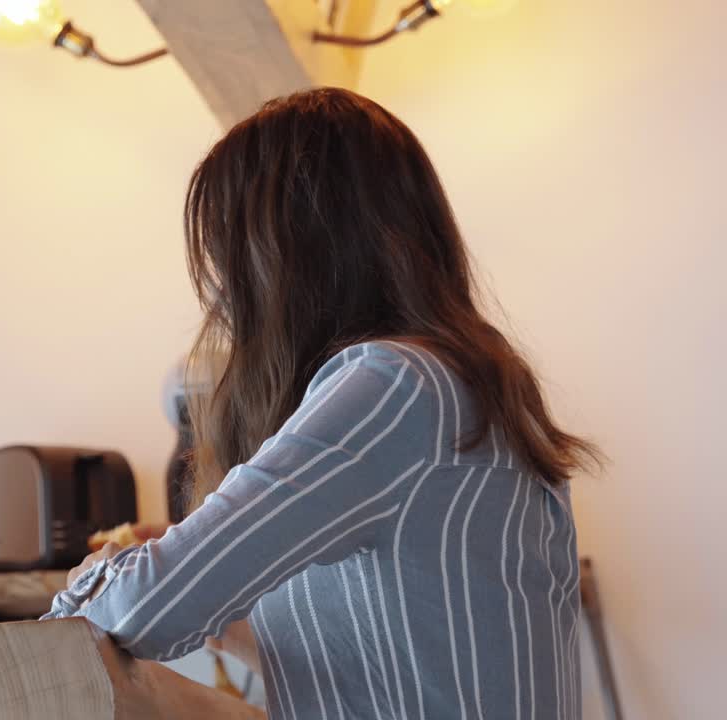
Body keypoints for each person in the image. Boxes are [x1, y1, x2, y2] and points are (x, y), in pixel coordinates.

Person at [42, 88, 598, 720]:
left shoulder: (393, 385)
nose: (222, 294)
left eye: (225, 255)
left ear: (281, 254)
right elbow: (372, 655)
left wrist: (103, 573)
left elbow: (140, 610)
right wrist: (213, 579)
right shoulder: (462, 383)